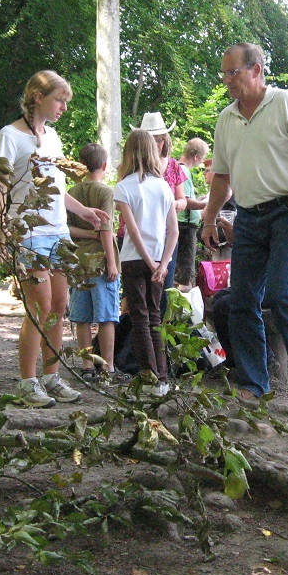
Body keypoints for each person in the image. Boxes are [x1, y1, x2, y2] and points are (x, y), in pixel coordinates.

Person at [201, 42, 288, 402]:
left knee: (280, 289)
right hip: (249, 217)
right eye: (224, 73)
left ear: (256, 70)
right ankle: (254, 383)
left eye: (233, 72)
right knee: (241, 300)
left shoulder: (285, 102)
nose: (227, 80)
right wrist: (210, 218)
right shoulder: (226, 118)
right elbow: (221, 177)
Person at [0, 70, 109, 409]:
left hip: (58, 234)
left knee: (60, 307)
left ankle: (51, 378)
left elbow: (57, 188)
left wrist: (84, 211)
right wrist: (3, 233)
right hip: (27, 233)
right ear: (38, 98)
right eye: (59, 100)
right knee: (40, 308)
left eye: (65, 101)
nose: (64, 107)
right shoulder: (9, 136)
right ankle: (27, 383)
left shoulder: (53, 138)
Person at [114, 129, 178, 396]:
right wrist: (162, 264)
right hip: (157, 260)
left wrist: (151, 264)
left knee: (140, 318)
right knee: (155, 317)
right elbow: (173, 231)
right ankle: (162, 378)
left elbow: (132, 231)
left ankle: (149, 377)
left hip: (132, 259)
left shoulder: (123, 187)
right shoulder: (163, 186)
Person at [66, 143, 127, 386]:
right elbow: (106, 229)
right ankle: (108, 366)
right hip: (101, 263)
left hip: (78, 261)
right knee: (106, 317)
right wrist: (112, 263)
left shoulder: (71, 192)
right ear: (104, 165)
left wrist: (85, 235)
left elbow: (67, 229)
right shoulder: (107, 193)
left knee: (81, 317)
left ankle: (86, 365)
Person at [129, 113, 187, 315]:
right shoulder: (131, 168)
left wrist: (169, 204)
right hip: (136, 236)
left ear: (165, 141)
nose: (156, 144)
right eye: (151, 140)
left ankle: (158, 340)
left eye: (160, 140)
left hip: (166, 235)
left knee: (162, 291)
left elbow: (183, 200)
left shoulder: (173, 166)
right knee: (134, 297)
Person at [175, 138, 210, 290]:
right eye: (202, 159)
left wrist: (199, 200)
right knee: (185, 274)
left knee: (176, 272)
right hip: (185, 227)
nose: (201, 163)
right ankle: (184, 310)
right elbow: (187, 202)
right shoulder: (184, 171)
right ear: (195, 156)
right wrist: (209, 204)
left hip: (177, 224)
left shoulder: (175, 167)